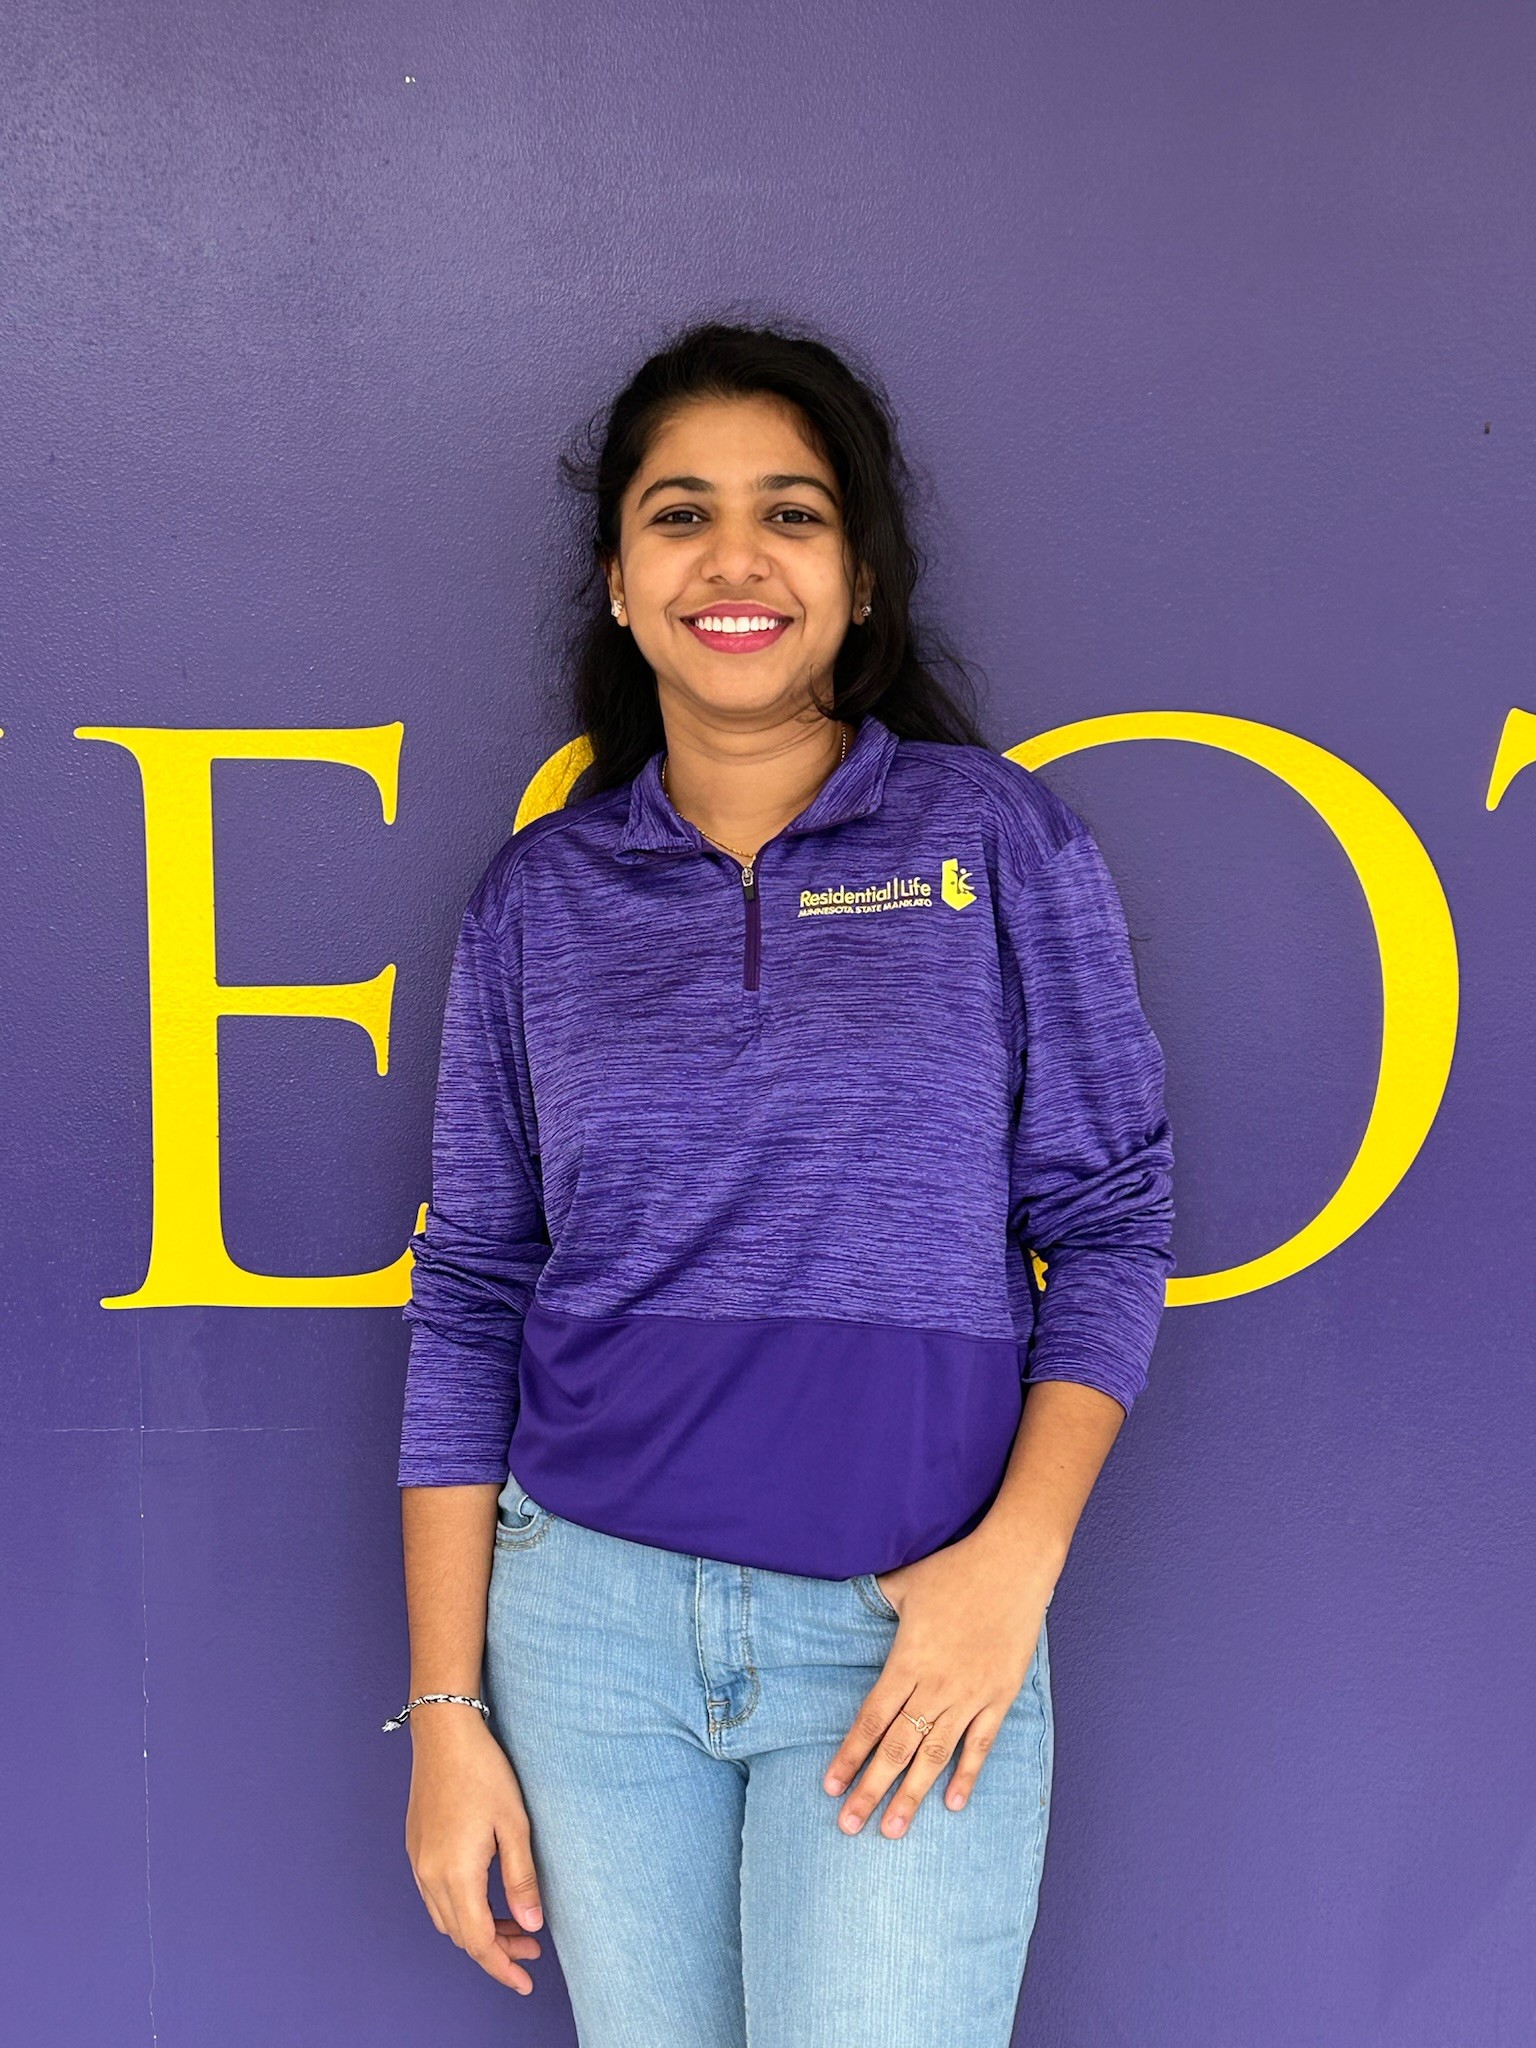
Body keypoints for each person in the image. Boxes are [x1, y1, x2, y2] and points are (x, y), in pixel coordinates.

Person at [390, 320, 1175, 2048]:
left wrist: (1013, 1567)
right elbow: (469, 1304)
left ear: (863, 578)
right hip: (587, 1630)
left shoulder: (993, 841)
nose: (733, 559)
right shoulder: (539, 902)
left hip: (904, 1624)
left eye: (791, 514)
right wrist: (451, 1712)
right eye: (679, 515)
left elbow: (1112, 1227)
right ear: (616, 582)